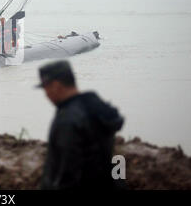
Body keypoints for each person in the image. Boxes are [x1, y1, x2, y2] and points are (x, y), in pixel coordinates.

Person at [36, 60, 125, 190]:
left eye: (46, 88)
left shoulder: (68, 120)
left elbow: (68, 174)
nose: (46, 95)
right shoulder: (96, 107)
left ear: (56, 86)